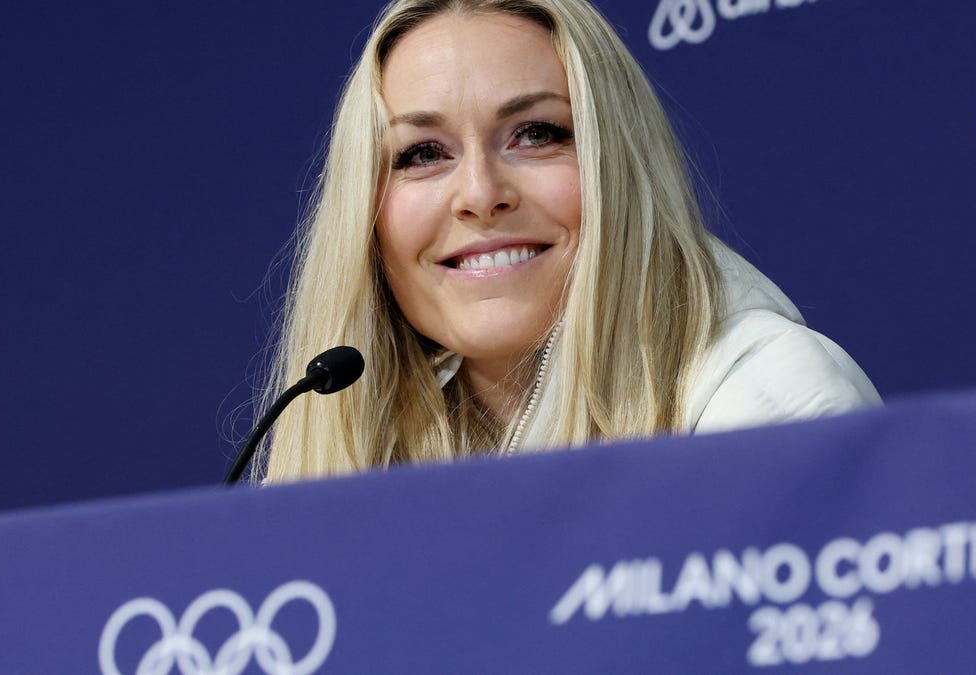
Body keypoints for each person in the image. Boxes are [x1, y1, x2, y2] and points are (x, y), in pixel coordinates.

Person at [258, 0, 879, 483]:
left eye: (536, 133)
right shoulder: (363, 434)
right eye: (422, 153)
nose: (479, 192)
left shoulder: (771, 402)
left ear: (619, 165)